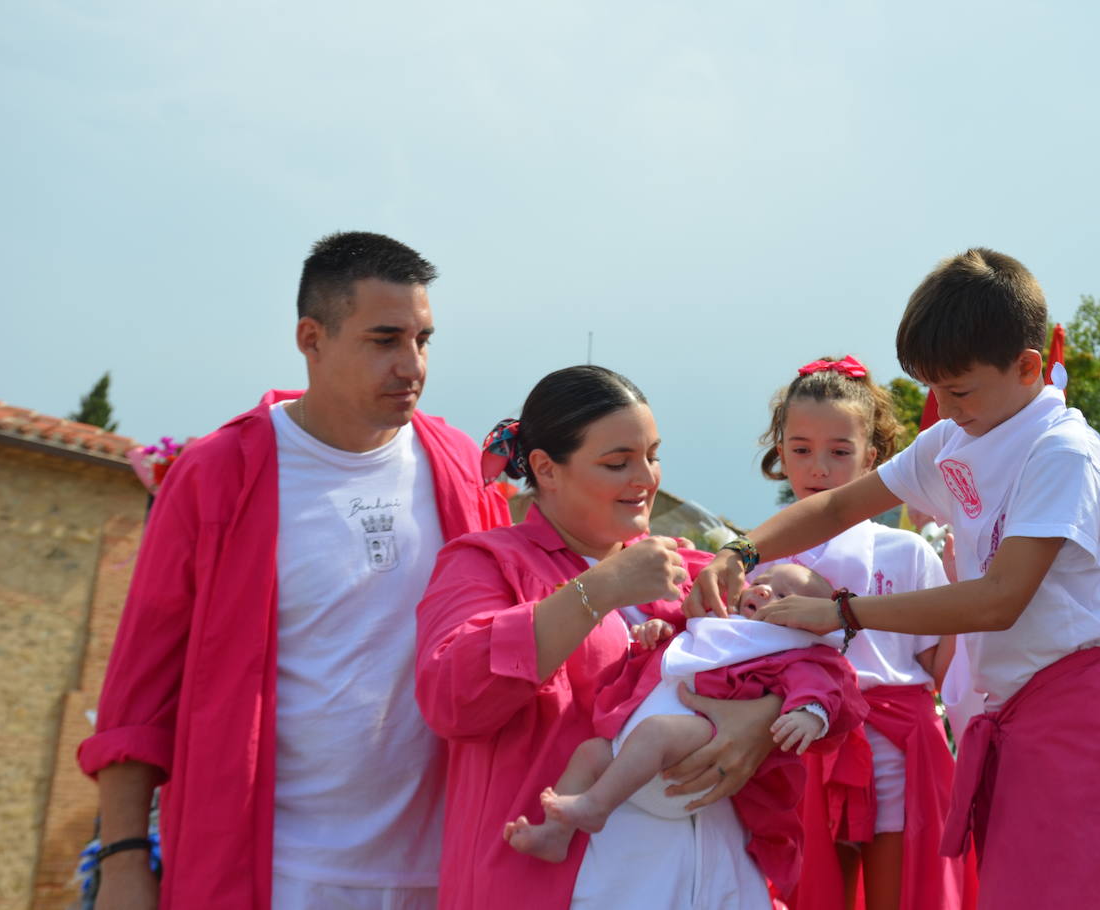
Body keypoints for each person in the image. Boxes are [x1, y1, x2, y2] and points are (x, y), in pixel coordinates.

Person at [685, 249, 1100, 909]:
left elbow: (1001, 600)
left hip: (1079, 710)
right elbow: (836, 506)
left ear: (1028, 367)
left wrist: (844, 613)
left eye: (960, 389)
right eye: (933, 388)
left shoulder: (1062, 449)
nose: (942, 406)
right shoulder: (955, 440)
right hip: (1010, 715)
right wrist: (739, 550)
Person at [77, 232, 510, 909]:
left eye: (424, 340)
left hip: (445, 872)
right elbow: (141, 685)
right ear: (311, 337)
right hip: (269, 873)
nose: (412, 364)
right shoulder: (219, 475)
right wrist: (125, 860)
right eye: (385, 339)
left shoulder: (464, 470)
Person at [414, 365, 783, 910]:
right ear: (546, 469)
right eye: (618, 463)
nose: (646, 478)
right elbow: (451, 699)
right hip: (572, 884)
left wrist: (762, 720)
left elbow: (803, 661)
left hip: (719, 875)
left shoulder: (692, 566)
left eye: (652, 455)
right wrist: (597, 590)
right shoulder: (485, 564)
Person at [754, 354, 972, 910]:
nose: (818, 468)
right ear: (780, 453)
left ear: (873, 459)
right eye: (800, 450)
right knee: (807, 894)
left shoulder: (910, 551)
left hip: (898, 746)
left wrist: (961, 588)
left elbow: (939, 669)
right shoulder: (758, 556)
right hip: (798, 741)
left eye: (840, 451)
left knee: (901, 896)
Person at [506, 563, 865, 899]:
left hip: (698, 756)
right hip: (632, 761)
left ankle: (594, 806)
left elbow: (820, 687)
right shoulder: (717, 622)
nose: (766, 591)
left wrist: (808, 714)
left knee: (657, 731)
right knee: (589, 752)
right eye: (762, 583)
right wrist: (656, 632)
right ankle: (556, 834)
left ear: (811, 620)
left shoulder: (793, 650)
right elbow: (678, 645)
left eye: (785, 596)